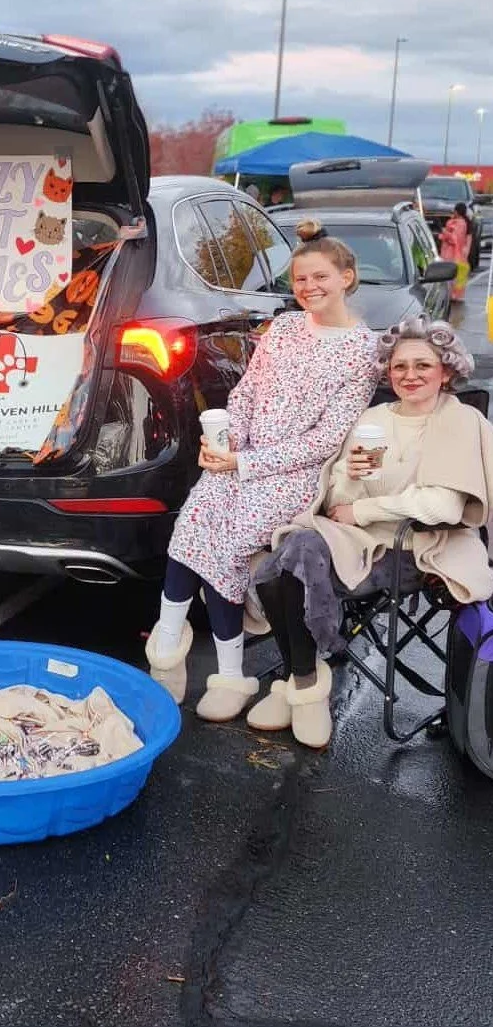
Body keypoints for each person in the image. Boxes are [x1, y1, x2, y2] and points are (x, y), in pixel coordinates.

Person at [146, 219, 378, 722]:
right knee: (192, 527)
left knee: (226, 546)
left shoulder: (363, 350)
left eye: (320, 277)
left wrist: (249, 463)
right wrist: (226, 446)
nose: (309, 288)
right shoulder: (287, 326)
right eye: (299, 280)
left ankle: (226, 675)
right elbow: (248, 390)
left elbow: (326, 439)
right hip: (242, 454)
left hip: (293, 473)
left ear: (347, 277)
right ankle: (172, 647)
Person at [252, 318, 493, 748]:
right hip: (354, 538)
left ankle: (300, 681)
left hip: (417, 547)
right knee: (279, 563)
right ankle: (303, 682)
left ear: (446, 370)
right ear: (388, 371)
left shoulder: (459, 420)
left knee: (298, 557)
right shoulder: (374, 418)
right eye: (400, 367)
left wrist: (363, 507)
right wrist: (350, 475)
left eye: (423, 365)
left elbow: (442, 506)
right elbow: (334, 500)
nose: (410, 375)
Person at [439, 202, 471, 302]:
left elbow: (454, 239)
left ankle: (453, 295)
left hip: (454, 255)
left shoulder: (460, 224)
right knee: (451, 276)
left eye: (455, 210)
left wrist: (444, 232)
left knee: (453, 276)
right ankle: (452, 295)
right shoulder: (454, 222)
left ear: (457, 211)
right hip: (450, 254)